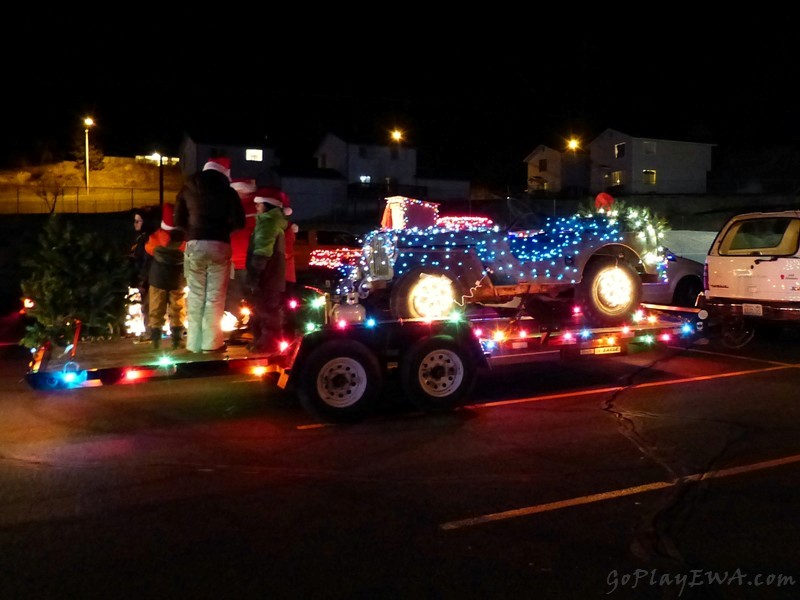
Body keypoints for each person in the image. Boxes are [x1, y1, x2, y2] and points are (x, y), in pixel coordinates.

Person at [173, 157, 246, 354]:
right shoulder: (228, 191)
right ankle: (211, 344)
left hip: (195, 244)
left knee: (196, 294)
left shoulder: (187, 187)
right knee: (215, 296)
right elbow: (240, 222)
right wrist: (223, 230)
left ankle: (193, 344)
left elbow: (178, 219)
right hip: (219, 245)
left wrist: (193, 231)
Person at [245, 188, 291, 354]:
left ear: (267, 205)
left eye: (258, 204)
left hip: (267, 274)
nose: (256, 207)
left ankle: (267, 343)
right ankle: (263, 341)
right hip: (273, 274)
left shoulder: (268, 222)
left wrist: (254, 275)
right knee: (265, 309)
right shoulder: (272, 222)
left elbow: (262, 250)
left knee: (265, 310)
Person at [145, 203, 187, 349]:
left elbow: (148, 249)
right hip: (177, 278)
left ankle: (156, 338)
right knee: (178, 307)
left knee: (156, 307)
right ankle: (177, 337)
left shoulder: (156, 237)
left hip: (158, 277)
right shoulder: (184, 240)